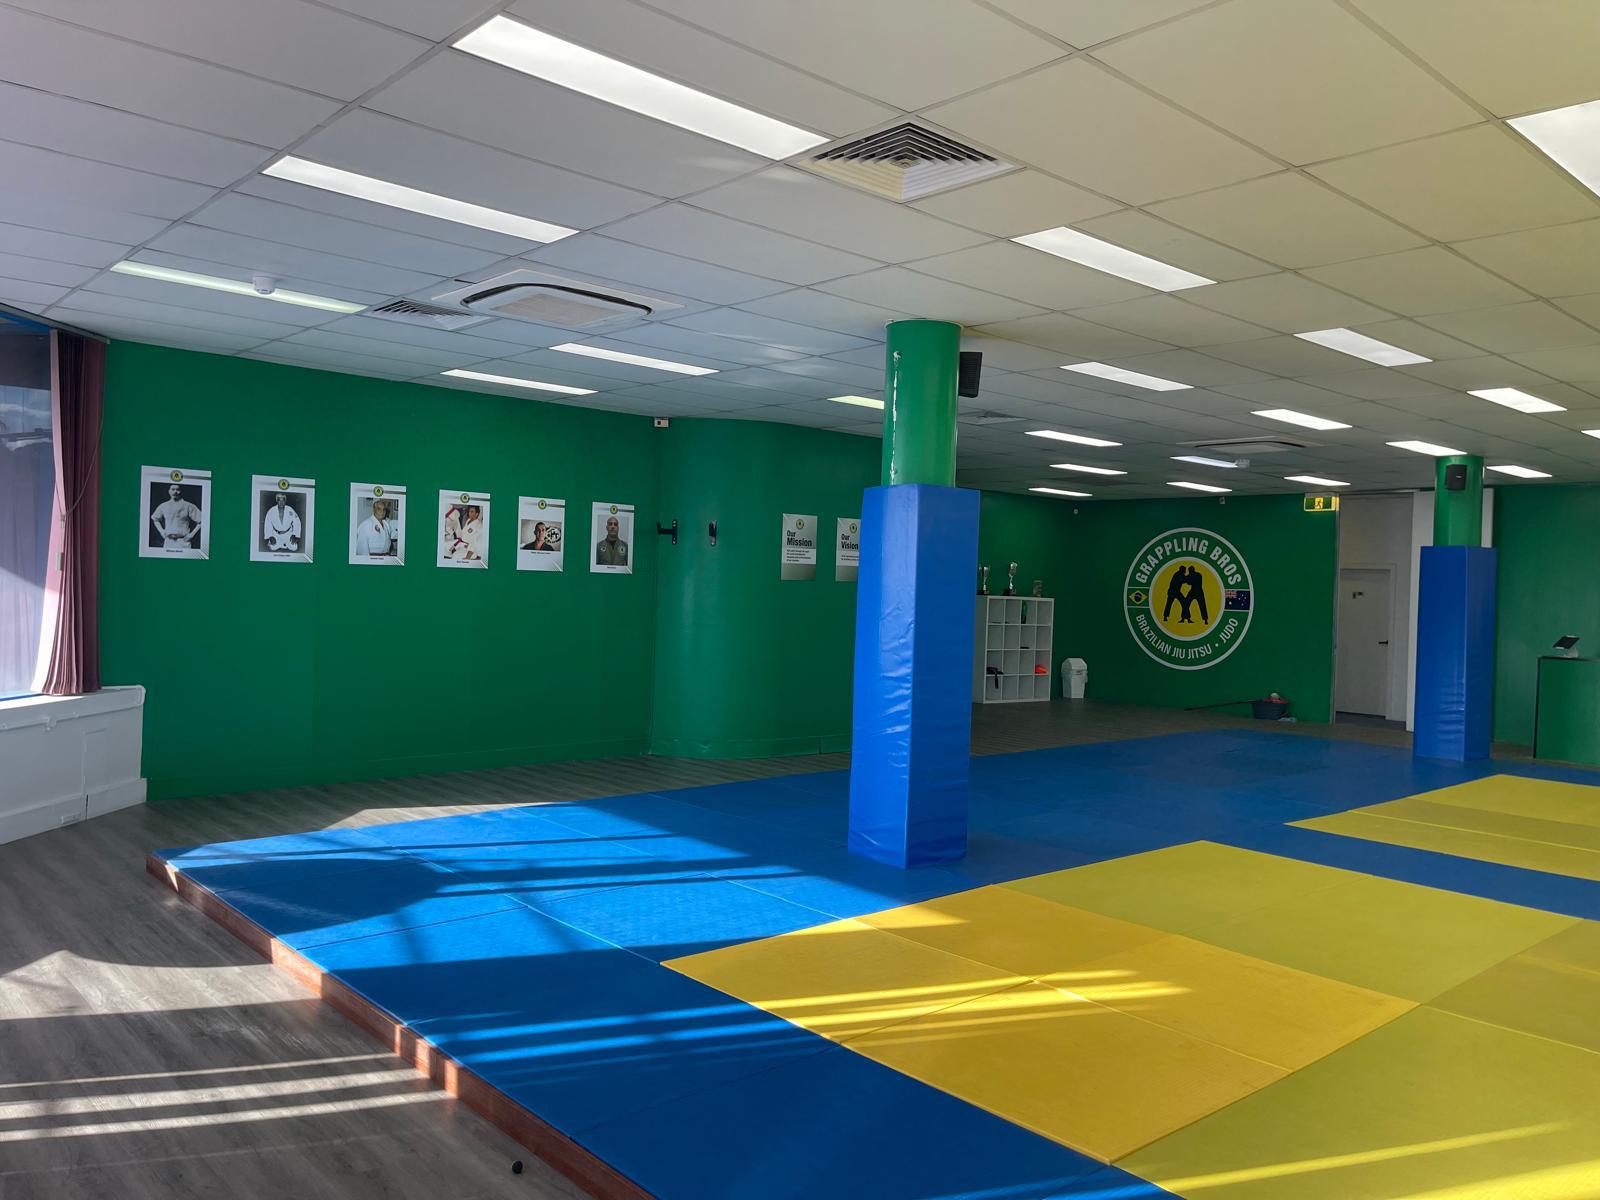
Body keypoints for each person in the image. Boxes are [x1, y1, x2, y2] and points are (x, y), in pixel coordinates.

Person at [151, 482, 203, 549]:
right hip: (168, 541)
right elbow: (155, 519)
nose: (175, 492)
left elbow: (202, 520)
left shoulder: (188, 506)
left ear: (181, 491)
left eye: (177, 490)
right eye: (173, 489)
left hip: (183, 541)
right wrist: (162, 532)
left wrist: (191, 535)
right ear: (169, 491)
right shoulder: (163, 506)